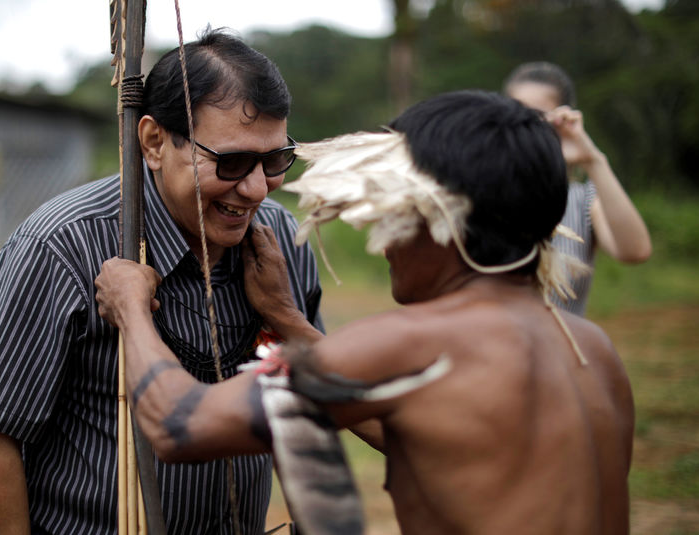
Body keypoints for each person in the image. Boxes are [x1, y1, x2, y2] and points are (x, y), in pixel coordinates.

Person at [95, 91, 635, 534]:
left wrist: (132, 308)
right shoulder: (590, 347)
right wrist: (287, 319)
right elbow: (410, 421)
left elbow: (179, 424)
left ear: (434, 217)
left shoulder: (414, 344)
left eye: (391, 217)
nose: (383, 245)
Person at [0, 28, 324, 534]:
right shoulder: (63, 246)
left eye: (274, 160)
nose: (257, 187)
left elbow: (303, 402)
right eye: (232, 161)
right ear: (154, 141)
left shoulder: (280, 240)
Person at [503, 61, 652, 315]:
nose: (524, 127)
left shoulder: (581, 199)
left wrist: (592, 160)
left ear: (561, 120)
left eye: (537, 117)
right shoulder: (479, 192)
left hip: (563, 351)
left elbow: (634, 251)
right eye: (515, 112)